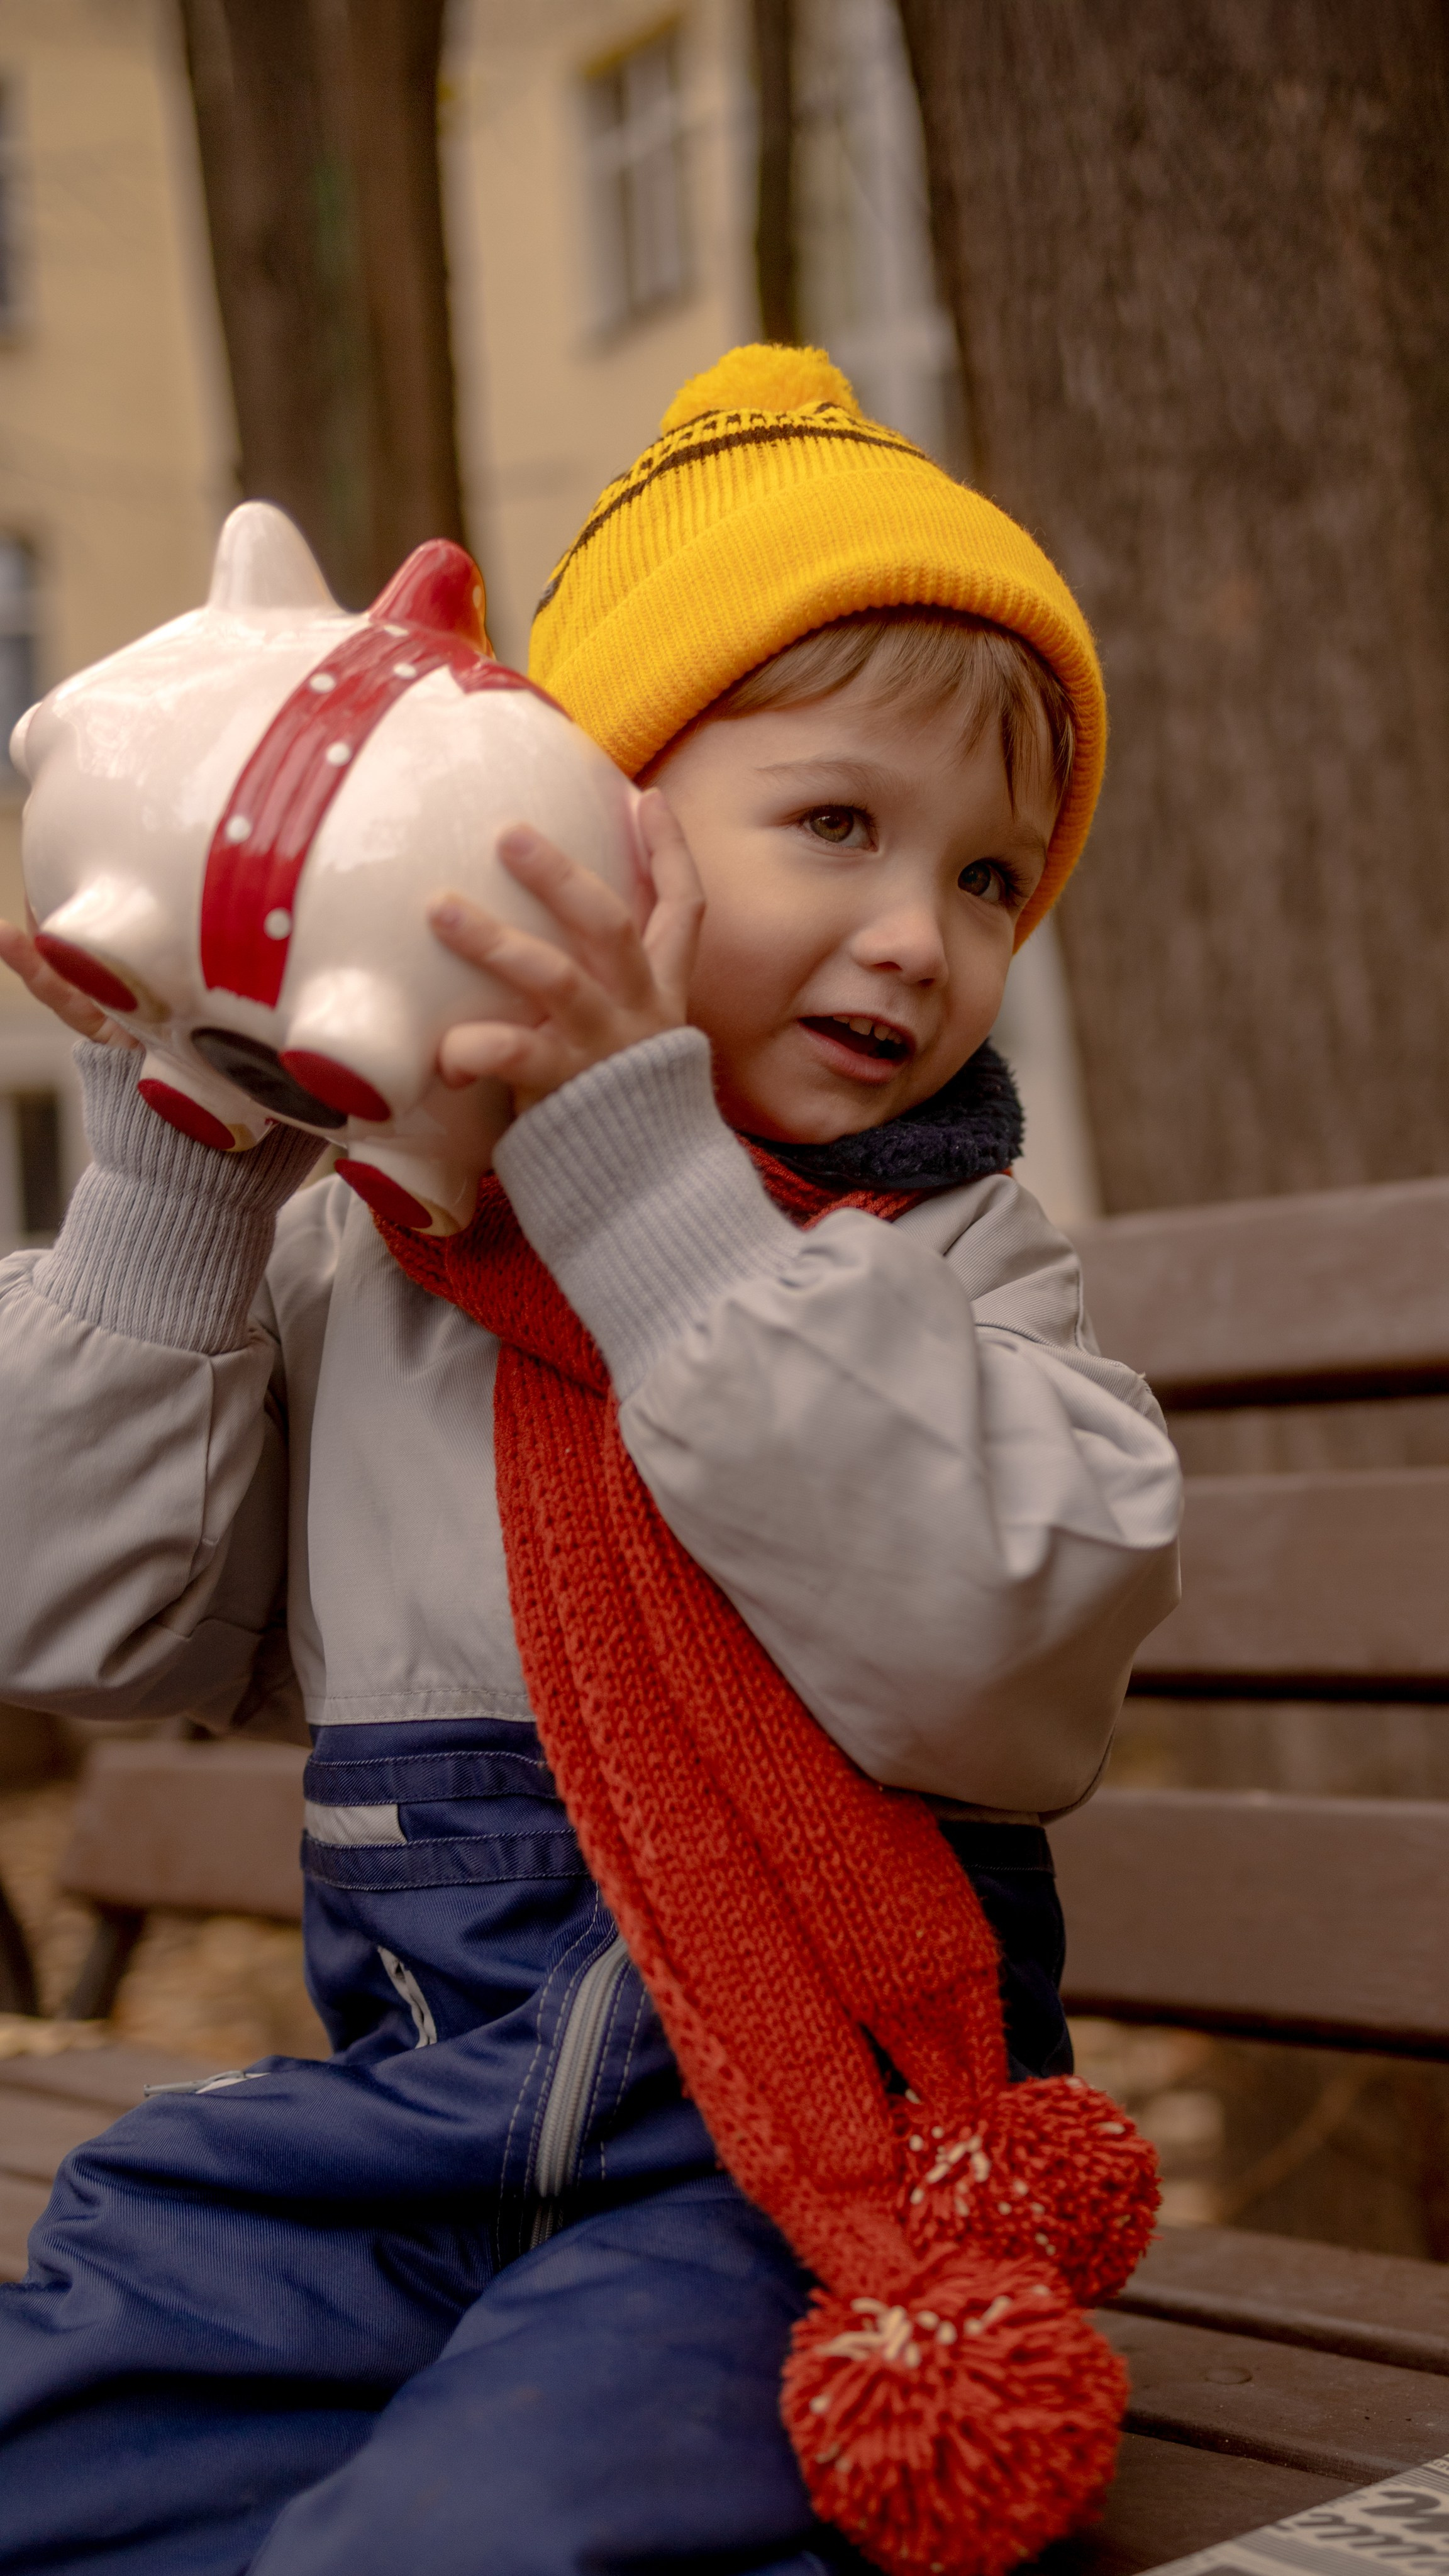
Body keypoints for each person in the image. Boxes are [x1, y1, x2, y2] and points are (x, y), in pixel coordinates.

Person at [0, 345, 1180, 2576]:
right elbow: (80, 1621)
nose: (923, 935)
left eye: (991, 875)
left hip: (780, 2183)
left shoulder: (950, 1261)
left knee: (477, 2530)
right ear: (579, 825)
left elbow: (999, 1655)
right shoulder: (376, 1256)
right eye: (836, 827)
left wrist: (651, 1193)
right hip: (400, 2146)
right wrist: (175, 1169)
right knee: (66, 2421)